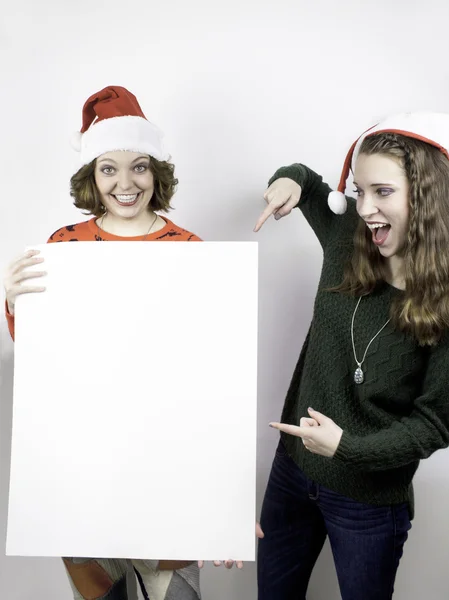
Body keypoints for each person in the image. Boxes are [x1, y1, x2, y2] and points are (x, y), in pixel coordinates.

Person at [3, 85, 239, 600]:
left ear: (157, 173)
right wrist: (18, 306)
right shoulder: (63, 247)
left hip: (166, 480)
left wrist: (224, 505)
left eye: (139, 167)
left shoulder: (190, 252)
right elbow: (47, 363)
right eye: (109, 168)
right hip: (85, 481)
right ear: (92, 176)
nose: (125, 183)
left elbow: (215, 377)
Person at [253, 112, 449, 600]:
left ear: (427, 196)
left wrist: (348, 448)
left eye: (382, 192)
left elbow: (435, 424)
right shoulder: (348, 240)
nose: (364, 208)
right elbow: (309, 181)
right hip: (292, 471)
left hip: (368, 502)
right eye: (359, 191)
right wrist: (287, 181)